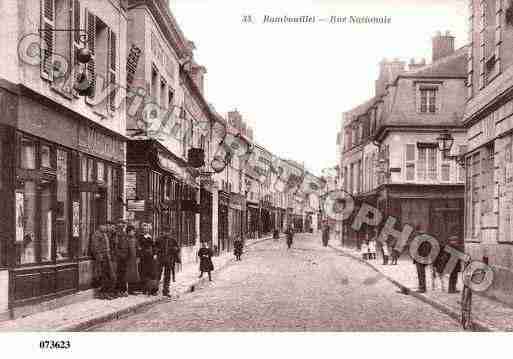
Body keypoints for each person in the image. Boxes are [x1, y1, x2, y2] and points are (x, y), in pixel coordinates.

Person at [90, 225, 116, 300]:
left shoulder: (105, 234)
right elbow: (94, 247)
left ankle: (107, 292)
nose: (106, 227)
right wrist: (99, 257)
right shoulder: (96, 235)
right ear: (100, 227)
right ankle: (102, 294)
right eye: (104, 226)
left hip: (107, 257)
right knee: (103, 276)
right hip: (102, 258)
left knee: (110, 275)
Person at [156, 231, 180, 297]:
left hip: (169, 260)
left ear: (170, 232)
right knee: (158, 274)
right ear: (162, 232)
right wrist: (158, 251)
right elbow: (155, 248)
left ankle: (166, 291)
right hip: (160, 259)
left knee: (167, 276)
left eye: (168, 232)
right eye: (165, 231)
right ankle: (155, 290)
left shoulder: (172, 240)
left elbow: (178, 248)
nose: (166, 233)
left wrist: (175, 249)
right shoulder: (159, 239)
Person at [139, 223, 158, 295]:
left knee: (151, 273)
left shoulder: (150, 237)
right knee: (143, 273)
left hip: (150, 258)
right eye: (144, 229)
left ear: (149, 229)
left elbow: (154, 246)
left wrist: (155, 253)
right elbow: (139, 247)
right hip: (143, 257)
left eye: (146, 229)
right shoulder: (140, 237)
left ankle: (151, 289)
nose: (145, 230)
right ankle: (144, 289)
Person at [125, 225, 141, 294]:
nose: (133, 232)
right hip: (128, 259)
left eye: (133, 231)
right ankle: (127, 289)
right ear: (128, 232)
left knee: (134, 274)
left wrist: (138, 257)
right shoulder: (126, 239)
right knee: (128, 274)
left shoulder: (135, 240)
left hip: (134, 259)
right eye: (132, 231)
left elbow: (138, 249)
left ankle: (132, 289)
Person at [115, 222, 130, 297]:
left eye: (123, 224)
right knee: (119, 274)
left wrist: (127, 255)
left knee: (123, 274)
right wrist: (119, 254)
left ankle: (123, 290)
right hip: (119, 257)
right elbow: (115, 246)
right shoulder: (116, 235)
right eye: (120, 224)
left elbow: (127, 246)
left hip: (124, 257)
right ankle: (119, 290)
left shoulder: (124, 234)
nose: (122, 226)